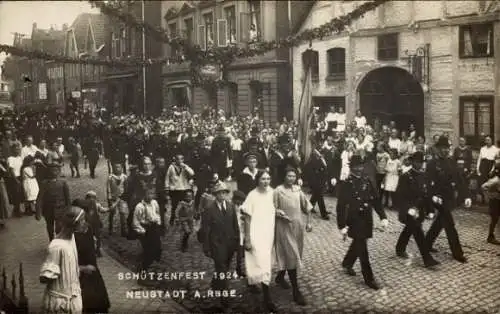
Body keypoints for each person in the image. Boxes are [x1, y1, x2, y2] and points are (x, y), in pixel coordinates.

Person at [336, 155, 388, 290]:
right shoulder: (347, 183)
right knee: (362, 248)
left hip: (366, 218)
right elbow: (341, 206)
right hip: (354, 219)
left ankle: (347, 263)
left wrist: (383, 216)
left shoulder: (367, 180)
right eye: (356, 166)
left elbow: (376, 200)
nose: (359, 169)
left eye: (361, 166)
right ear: (351, 167)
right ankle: (369, 278)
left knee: (359, 243)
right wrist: (342, 225)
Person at [425, 136, 472, 263]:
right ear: (437, 149)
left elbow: (460, 180)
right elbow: (427, 184)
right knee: (450, 225)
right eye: (442, 148)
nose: (445, 151)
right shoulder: (431, 164)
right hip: (438, 198)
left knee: (440, 222)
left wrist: (467, 195)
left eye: (447, 148)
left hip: (449, 198)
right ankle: (458, 253)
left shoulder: (451, 162)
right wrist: (432, 196)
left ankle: (426, 243)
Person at [273, 167, 312, 305]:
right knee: (292, 255)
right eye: (289, 176)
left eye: (293, 176)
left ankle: (280, 276)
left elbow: (307, 207)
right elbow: (272, 208)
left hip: (297, 228)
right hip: (284, 227)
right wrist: (279, 213)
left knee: (294, 255)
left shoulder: (297, 190)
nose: (291, 178)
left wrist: (309, 223)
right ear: (284, 177)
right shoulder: (277, 191)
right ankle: (296, 291)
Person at [394, 151, 440, 268]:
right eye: (417, 162)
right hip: (409, 211)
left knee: (410, 229)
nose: (419, 164)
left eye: (421, 162)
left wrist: (430, 210)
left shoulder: (423, 176)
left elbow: (426, 194)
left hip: (419, 209)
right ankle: (427, 259)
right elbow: (399, 196)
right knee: (419, 233)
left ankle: (400, 248)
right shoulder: (405, 176)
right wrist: (408, 209)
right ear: (412, 162)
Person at [241, 170, 277, 312]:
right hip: (256, 233)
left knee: (267, 261)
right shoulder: (252, 195)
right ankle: (267, 297)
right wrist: (248, 239)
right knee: (262, 262)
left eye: (268, 178)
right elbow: (247, 218)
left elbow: (274, 208)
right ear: (257, 180)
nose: (266, 181)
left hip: (269, 232)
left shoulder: (272, 192)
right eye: (263, 179)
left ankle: (256, 284)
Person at [200, 181, 239, 311]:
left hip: (230, 244)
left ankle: (216, 283)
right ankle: (224, 294)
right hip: (216, 244)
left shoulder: (231, 206)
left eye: (224, 192)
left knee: (225, 267)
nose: (222, 195)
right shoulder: (209, 210)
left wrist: (237, 242)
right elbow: (205, 230)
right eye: (219, 193)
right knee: (222, 267)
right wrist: (206, 247)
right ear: (215, 195)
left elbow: (235, 226)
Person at [39, 207, 84, 314]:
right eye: (83, 220)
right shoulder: (57, 246)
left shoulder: (72, 238)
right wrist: (50, 271)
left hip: (73, 297)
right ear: (75, 223)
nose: (84, 223)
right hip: (60, 303)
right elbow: (44, 278)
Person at [73, 204, 111, 313]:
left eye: (84, 219)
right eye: (81, 220)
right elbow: (67, 264)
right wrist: (83, 268)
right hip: (81, 275)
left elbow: (92, 243)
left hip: (93, 270)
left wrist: (94, 244)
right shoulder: (72, 238)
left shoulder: (87, 229)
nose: (84, 222)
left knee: (99, 299)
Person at [36, 162, 71, 241]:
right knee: (50, 226)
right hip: (48, 210)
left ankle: (59, 241)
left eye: (56, 170)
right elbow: (39, 198)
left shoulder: (63, 183)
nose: (54, 172)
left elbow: (68, 198)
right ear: (48, 171)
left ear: (59, 171)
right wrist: (38, 211)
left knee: (59, 227)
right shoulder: (44, 183)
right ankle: (51, 240)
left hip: (61, 209)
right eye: (52, 170)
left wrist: (68, 210)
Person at [132, 189, 162, 275]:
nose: (150, 196)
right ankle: (143, 271)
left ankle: (152, 267)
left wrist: (158, 222)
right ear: (144, 195)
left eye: (152, 194)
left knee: (158, 249)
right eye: (148, 194)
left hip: (154, 228)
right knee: (148, 251)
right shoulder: (139, 206)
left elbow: (157, 213)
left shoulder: (154, 203)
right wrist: (142, 231)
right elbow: (135, 222)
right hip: (145, 230)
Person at [165, 153, 194, 226]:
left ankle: (182, 220)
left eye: (181, 159)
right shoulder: (171, 167)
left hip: (183, 189)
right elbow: (167, 177)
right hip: (174, 189)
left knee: (183, 205)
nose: (179, 160)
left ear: (183, 160)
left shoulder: (184, 166)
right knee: (174, 205)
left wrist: (185, 167)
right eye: (178, 159)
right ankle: (172, 219)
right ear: (175, 159)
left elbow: (192, 173)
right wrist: (167, 188)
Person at [305, 144, 330, 220]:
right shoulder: (313, 160)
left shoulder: (322, 159)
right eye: (320, 152)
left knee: (315, 196)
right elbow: (308, 170)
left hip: (321, 181)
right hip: (315, 181)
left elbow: (325, 169)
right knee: (319, 197)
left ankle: (308, 207)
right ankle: (324, 213)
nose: (322, 154)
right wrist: (312, 182)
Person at [106, 163, 129, 237]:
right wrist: (109, 198)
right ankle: (110, 228)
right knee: (112, 213)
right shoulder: (110, 177)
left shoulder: (124, 177)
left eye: (119, 167)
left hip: (122, 198)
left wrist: (126, 197)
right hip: (113, 198)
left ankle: (124, 230)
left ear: (122, 168)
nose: (117, 169)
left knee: (123, 213)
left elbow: (126, 189)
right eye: (115, 167)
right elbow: (108, 189)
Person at [481, 163, 500, 245]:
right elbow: (483, 187)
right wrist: (490, 196)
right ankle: (490, 237)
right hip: (495, 203)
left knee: (495, 220)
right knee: (494, 219)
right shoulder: (495, 180)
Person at [476, 136, 498, 204]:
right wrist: (477, 168)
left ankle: (491, 200)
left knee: (490, 183)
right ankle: (483, 199)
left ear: (492, 140)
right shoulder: (482, 148)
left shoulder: (496, 149)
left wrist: (492, 170)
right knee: (482, 182)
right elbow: (479, 159)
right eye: (486, 140)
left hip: (491, 166)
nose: (487, 141)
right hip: (483, 166)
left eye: (489, 140)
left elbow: (495, 161)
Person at [232, 190, 247, 278]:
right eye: (240, 201)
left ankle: (238, 269)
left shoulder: (241, 207)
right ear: (235, 200)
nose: (241, 203)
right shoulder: (230, 207)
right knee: (234, 253)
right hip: (233, 234)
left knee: (240, 253)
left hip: (241, 233)